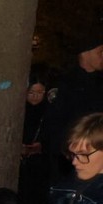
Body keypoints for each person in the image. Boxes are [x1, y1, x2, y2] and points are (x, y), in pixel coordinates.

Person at [42, 22, 103, 181]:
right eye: (100, 52)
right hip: (70, 164)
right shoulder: (64, 84)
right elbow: (54, 127)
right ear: (85, 53)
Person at [19, 67, 52, 204]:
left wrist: (41, 146)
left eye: (39, 92)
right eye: (31, 92)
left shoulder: (48, 111)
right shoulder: (18, 110)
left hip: (39, 167)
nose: (35, 96)